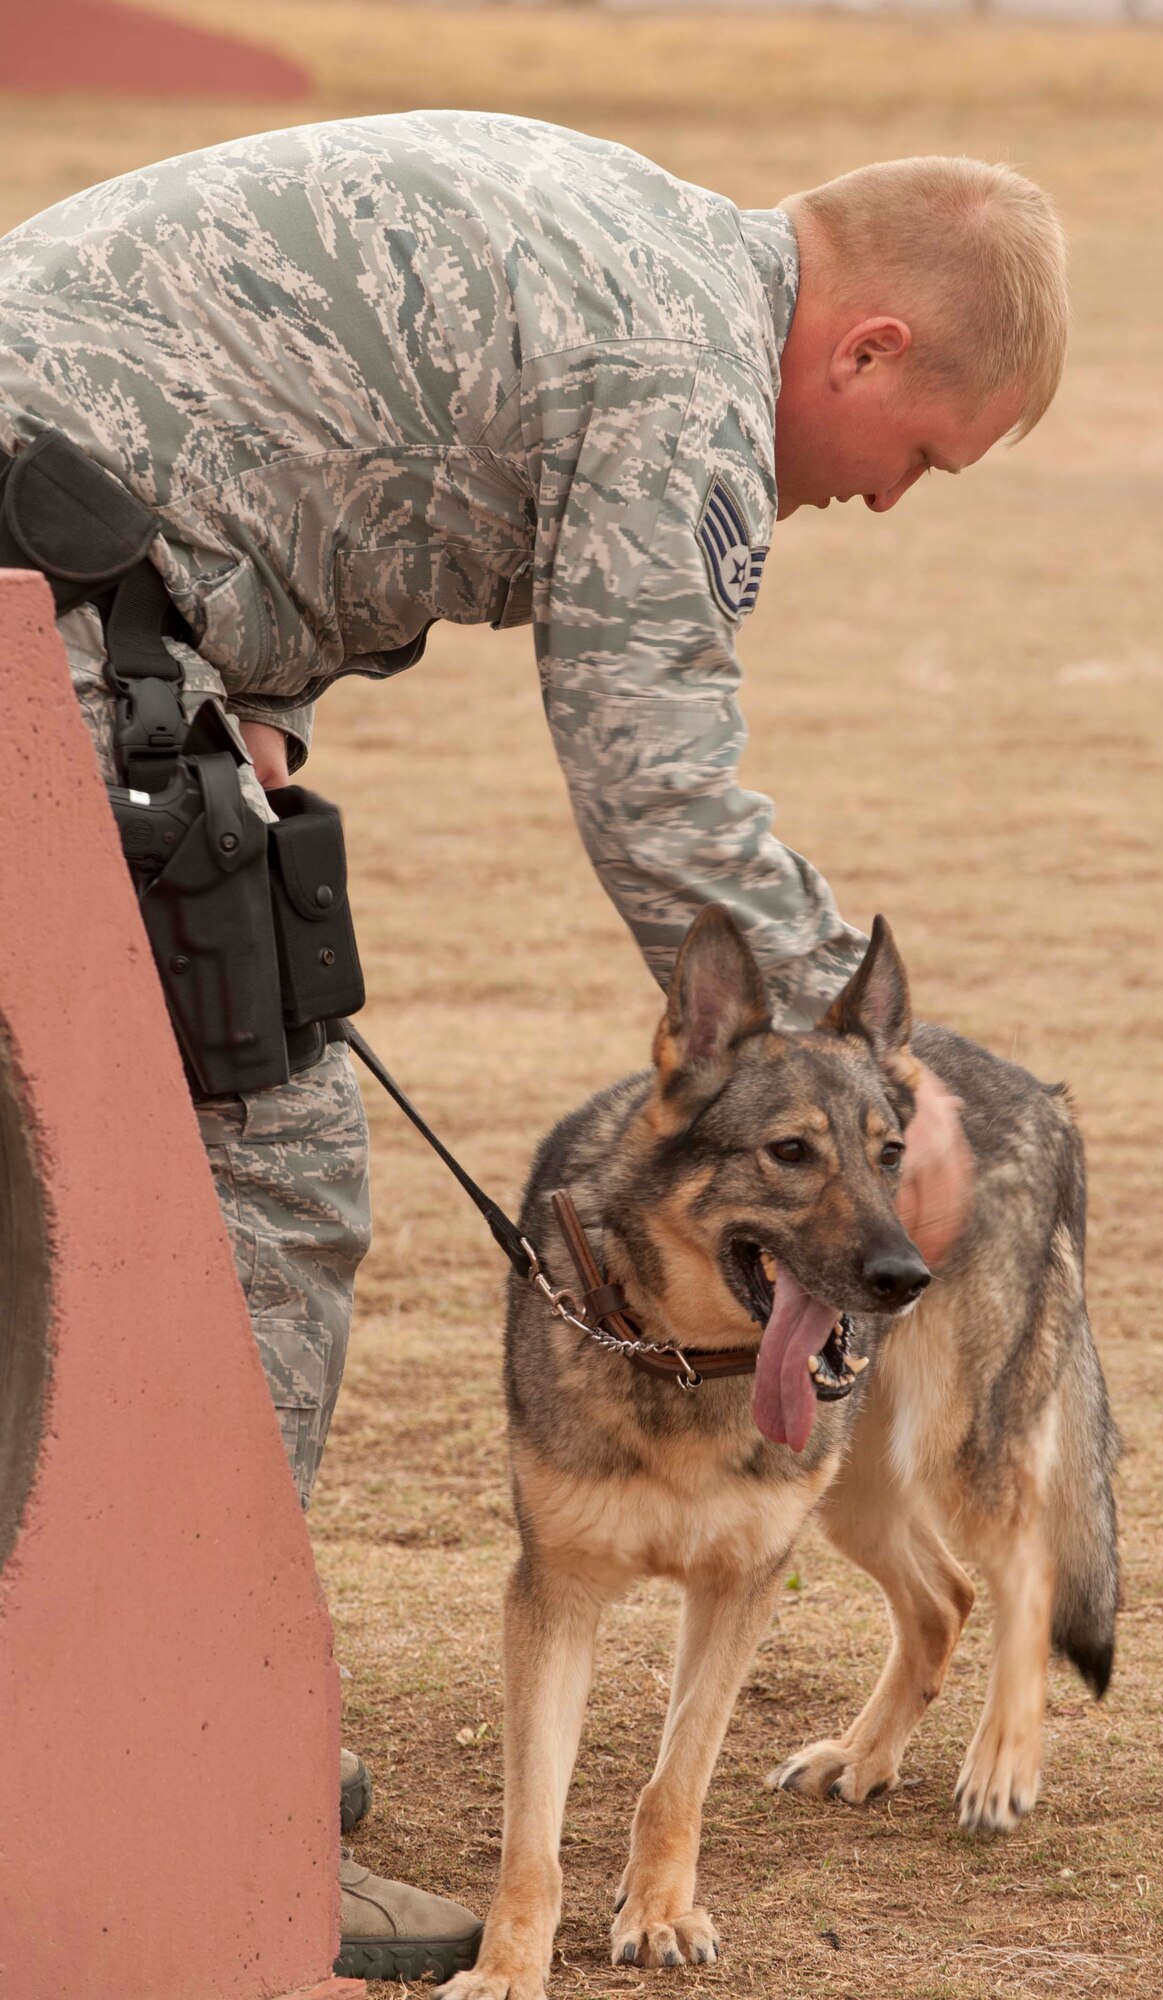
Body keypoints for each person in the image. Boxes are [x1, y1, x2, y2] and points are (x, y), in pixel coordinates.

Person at [0, 111, 1067, 1982]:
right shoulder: (688, 378)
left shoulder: (629, 246)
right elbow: (657, 785)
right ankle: (172, 1778)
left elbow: (296, 431)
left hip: (73, 568)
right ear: (867, 348)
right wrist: (892, 1091)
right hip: (44, 578)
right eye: (922, 459)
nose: (895, 499)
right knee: (258, 1177)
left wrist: (244, 690)